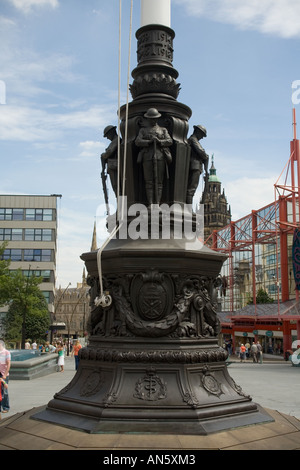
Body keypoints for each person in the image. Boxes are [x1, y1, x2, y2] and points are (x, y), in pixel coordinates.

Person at [135, 108, 173, 206]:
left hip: (160, 156)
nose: (152, 120)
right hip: (147, 157)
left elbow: (170, 141)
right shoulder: (143, 130)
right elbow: (137, 141)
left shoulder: (163, 130)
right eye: (150, 119)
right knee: (149, 181)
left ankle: (157, 203)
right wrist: (149, 142)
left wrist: (160, 141)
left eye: (154, 118)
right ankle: (150, 203)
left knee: (159, 182)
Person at [186, 125, 209, 204]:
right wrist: (206, 156)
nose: (202, 138)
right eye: (202, 135)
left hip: (194, 166)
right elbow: (202, 153)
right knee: (192, 189)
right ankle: (188, 209)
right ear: (198, 132)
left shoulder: (192, 140)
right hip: (195, 166)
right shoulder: (193, 139)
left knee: (191, 189)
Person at [101, 125, 119, 198]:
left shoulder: (116, 140)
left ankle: (120, 205)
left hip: (115, 167)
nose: (107, 138)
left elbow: (109, 153)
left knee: (116, 187)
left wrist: (103, 155)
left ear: (112, 132)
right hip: (113, 167)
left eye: (107, 135)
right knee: (115, 188)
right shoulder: (115, 141)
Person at [0, 340, 11, 413]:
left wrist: (5, 374)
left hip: (4, 374)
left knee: (5, 391)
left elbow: (8, 364)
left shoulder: (6, 352)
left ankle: (6, 407)